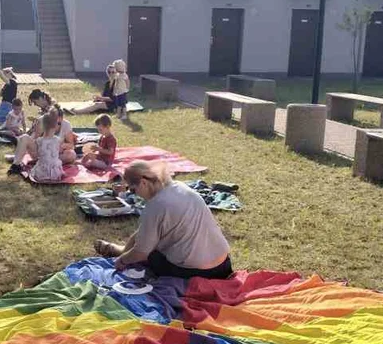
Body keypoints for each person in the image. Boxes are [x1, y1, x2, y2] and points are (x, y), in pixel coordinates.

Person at [94, 161, 232, 279]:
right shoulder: (179, 187)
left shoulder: (155, 206)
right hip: (224, 265)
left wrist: (122, 261)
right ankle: (122, 250)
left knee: (152, 254)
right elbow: (142, 233)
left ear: (143, 182)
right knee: (146, 236)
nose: (135, 195)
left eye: (133, 190)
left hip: (198, 273)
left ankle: (121, 252)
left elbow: (141, 253)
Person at [28, 110, 64, 183]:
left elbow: (36, 155)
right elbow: (60, 151)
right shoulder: (58, 140)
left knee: (39, 164)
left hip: (42, 173)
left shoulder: (39, 141)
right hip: (55, 174)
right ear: (56, 125)